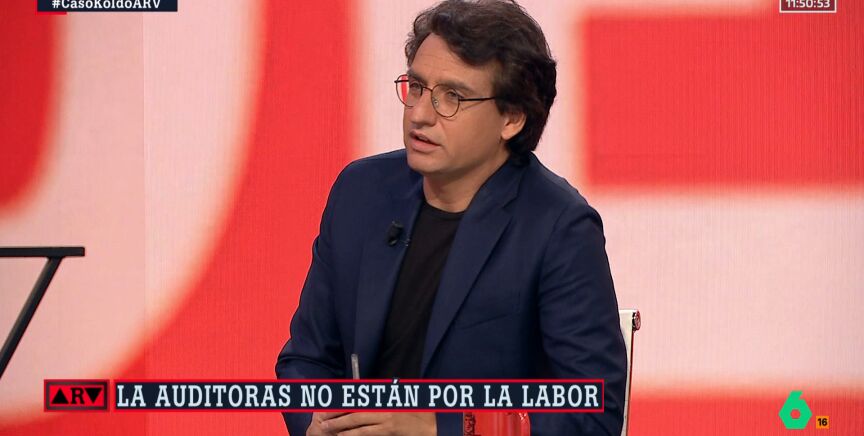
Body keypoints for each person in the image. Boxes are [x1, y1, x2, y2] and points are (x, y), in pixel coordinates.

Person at [275, 1, 627, 434]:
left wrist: (439, 428)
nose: (420, 114)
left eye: (452, 98)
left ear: (512, 118)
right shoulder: (362, 193)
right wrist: (318, 423)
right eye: (417, 87)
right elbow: (306, 360)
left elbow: (592, 413)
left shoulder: (558, 228)